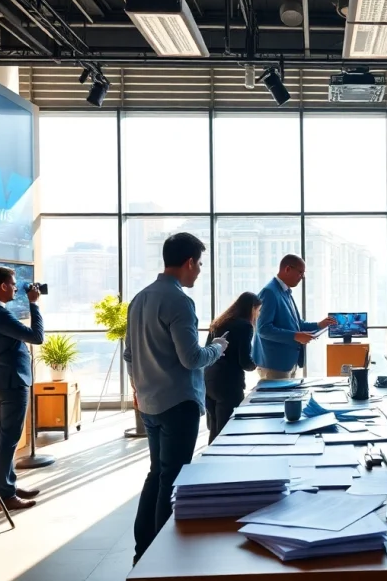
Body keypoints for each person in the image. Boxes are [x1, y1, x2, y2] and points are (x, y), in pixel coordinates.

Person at [124, 232, 229, 565]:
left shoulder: (140, 298)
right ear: (188, 263)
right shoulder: (179, 300)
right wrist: (219, 348)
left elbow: (129, 354)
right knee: (173, 478)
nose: (198, 271)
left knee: (157, 473)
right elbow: (192, 359)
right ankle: (161, 558)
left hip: (151, 404)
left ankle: (144, 549)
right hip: (178, 404)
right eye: (198, 264)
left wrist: (138, 388)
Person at [0, 266, 44, 512]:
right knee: (8, 440)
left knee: (0, 438)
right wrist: (34, 305)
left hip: (1, 380)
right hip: (14, 381)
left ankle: (4, 488)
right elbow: (36, 337)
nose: (17, 288)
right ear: (3, 285)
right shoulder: (0, 314)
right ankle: (5, 493)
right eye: (14, 284)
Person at [251, 254, 335, 379]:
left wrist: (319, 325)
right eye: (300, 272)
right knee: (277, 399)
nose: (302, 277)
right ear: (288, 269)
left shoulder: (285, 292)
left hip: (289, 363)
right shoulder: (269, 292)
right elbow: (263, 329)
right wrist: (296, 336)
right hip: (274, 365)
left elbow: (297, 324)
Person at [204, 292, 261, 442]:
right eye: (258, 310)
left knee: (215, 428)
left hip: (209, 380)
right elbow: (244, 360)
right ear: (252, 308)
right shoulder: (245, 326)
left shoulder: (219, 322)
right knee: (228, 430)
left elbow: (207, 350)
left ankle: (210, 462)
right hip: (228, 383)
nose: (258, 315)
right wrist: (255, 365)